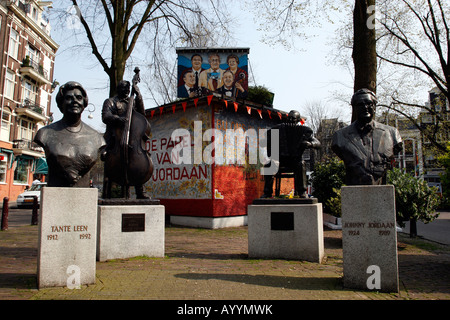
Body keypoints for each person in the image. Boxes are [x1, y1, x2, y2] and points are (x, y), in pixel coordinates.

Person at [34, 81, 105, 187]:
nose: (74, 101)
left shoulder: (97, 138)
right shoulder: (44, 134)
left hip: (83, 193)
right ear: (60, 103)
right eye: (68, 98)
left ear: (84, 103)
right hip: (55, 190)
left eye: (79, 98)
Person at [331, 88, 402, 185]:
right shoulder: (340, 136)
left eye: (369, 103)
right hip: (354, 188)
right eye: (360, 104)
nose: (365, 107)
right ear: (354, 108)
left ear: (374, 106)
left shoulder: (392, 133)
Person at [101, 79, 151, 199]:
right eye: (124, 89)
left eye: (128, 90)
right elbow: (105, 116)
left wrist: (138, 96)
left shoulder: (131, 101)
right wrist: (118, 119)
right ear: (119, 89)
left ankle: (140, 191)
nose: (127, 91)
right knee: (108, 158)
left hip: (132, 139)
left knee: (138, 162)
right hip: (114, 138)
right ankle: (110, 192)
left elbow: (142, 113)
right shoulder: (110, 102)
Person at [261, 110, 321, 198]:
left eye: (293, 119)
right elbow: (265, 139)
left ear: (298, 120)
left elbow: (318, 143)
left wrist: (310, 144)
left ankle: (302, 192)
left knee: (301, 164)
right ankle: (267, 192)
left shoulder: (303, 131)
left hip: (295, 160)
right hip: (280, 160)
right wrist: (268, 142)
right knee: (269, 165)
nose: (290, 120)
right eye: (289, 118)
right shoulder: (278, 129)